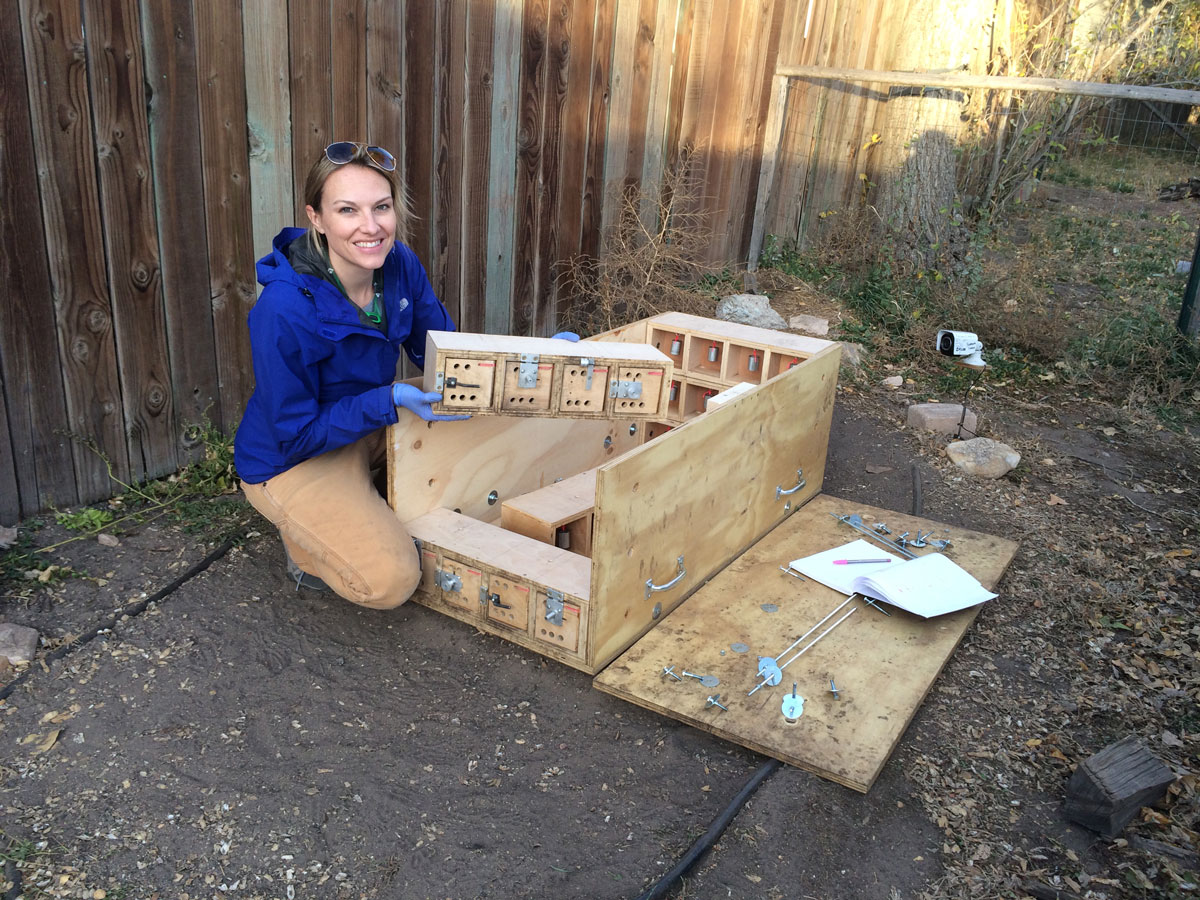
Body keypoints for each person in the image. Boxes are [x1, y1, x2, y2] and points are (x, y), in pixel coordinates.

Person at [233, 141, 468, 609]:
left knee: (472, 412)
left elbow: (448, 357)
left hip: (368, 423)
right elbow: (295, 435)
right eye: (347, 210)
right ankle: (306, 541)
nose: (370, 226)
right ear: (316, 218)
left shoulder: (398, 263)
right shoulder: (283, 309)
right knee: (390, 581)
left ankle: (366, 499)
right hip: (293, 458)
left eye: (381, 207)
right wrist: (389, 399)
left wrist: (528, 357)